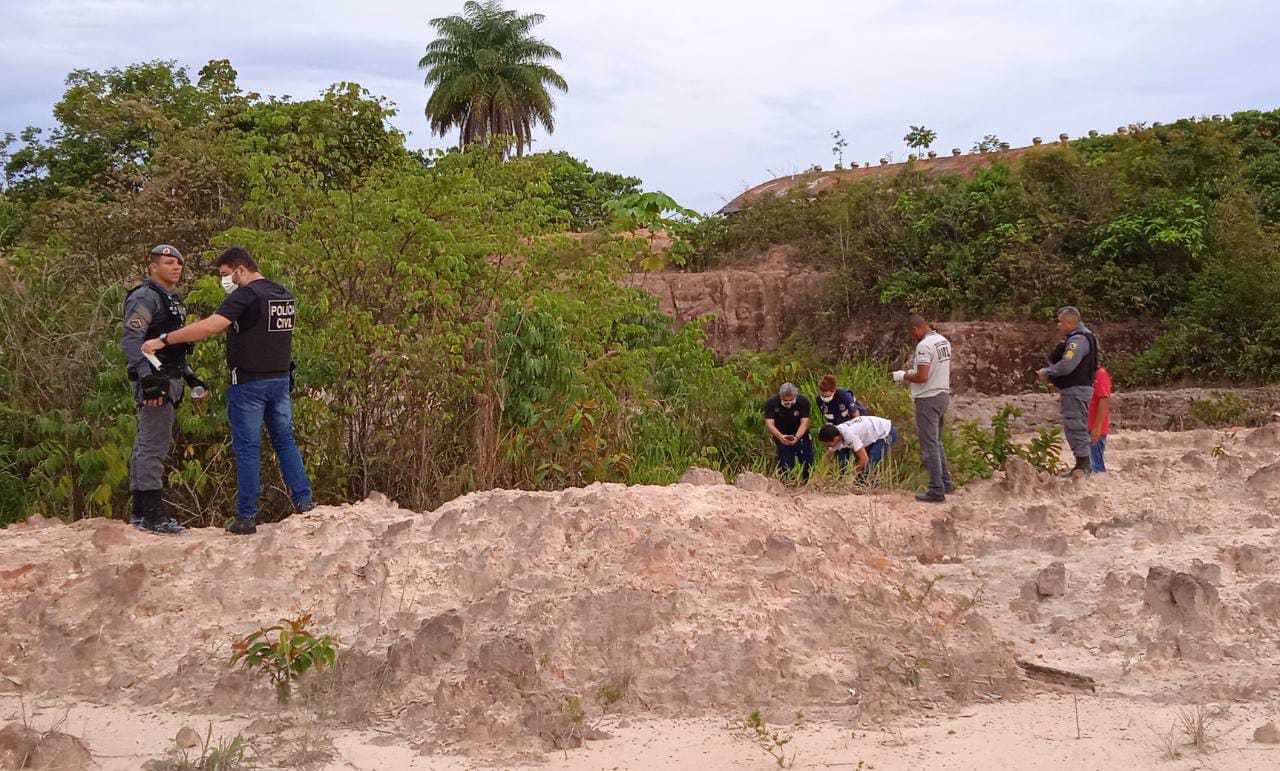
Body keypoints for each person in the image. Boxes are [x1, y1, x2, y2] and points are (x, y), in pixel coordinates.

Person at [143, 246, 314, 535]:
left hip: (249, 384)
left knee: (248, 449)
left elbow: (210, 327)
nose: (225, 281)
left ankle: (246, 517)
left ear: (240, 270)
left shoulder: (246, 295)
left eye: (225, 274)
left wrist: (164, 339)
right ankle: (304, 501)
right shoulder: (283, 294)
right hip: (280, 380)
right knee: (284, 440)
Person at [121, 244, 198, 534]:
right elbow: (131, 339)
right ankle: (153, 515)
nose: (176, 267)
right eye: (168, 262)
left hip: (171, 376)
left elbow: (174, 348)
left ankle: (141, 512)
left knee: (149, 443)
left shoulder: (171, 300)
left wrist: (191, 377)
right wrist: (147, 377)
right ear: (153, 266)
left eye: (179, 262)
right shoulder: (146, 297)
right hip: (156, 380)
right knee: (153, 445)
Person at [892, 315, 953, 503]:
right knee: (937, 442)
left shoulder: (924, 346)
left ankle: (936, 490)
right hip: (943, 394)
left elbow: (922, 376)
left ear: (916, 329)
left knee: (929, 445)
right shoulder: (943, 341)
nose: (912, 337)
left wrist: (903, 376)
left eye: (912, 333)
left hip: (928, 398)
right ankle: (946, 482)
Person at [1037, 306, 1098, 477]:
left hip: (1076, 389)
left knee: (1075, 424)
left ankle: (1083, 466)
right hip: (1077, 388)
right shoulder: (1083, 337)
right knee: (1075, 424)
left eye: (1061, 322)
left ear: (1070, 322)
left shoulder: (1077, 341)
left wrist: (1047, 372)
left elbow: (1067, 365)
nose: (1059, 325)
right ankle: (1082, 465)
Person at [816, 374, 870, 470]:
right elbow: (829, 418)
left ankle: (859, 478)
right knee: (841, 457)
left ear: (834, 391)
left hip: (853, 427)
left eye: (827, 396)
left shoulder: (844, 395)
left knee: (859, 454)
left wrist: (851, 435)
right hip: (838, 430)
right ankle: (842, 476)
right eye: (822, 395)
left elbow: (856, 417)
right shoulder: (819, 400)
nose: (825, 398)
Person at [817, 415, 898, 477]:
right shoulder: (836, 432)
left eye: (828, 444)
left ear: (835, 439)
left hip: (886, 432)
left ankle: (869, 488)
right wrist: (818, 472)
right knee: (862, 463)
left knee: (872, 460)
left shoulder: (850, 435)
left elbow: (864, 459)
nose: (827, 447)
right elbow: (827, 456)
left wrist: (852, 475)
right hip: (872, 434)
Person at [764, 383, 813, 481]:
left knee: (807, 462)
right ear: (780, 396)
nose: (788, 403)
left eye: (791, 400)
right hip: (781, 435)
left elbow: (805, 422)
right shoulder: (771, 403)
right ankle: (787, 483)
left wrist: (797, 437)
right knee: (785, 463)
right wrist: (780, 436)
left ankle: (807, 483)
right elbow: (769, 423)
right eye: (785, 400)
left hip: (801, 435)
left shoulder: (803, 401)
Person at [1089, 364, 1112, 473]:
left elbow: (1104, 400)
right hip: (1087, 426)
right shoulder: (1087, 374)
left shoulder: (1099, 374)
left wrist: (1097, 427)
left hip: (1094, 428)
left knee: (1095, 467)